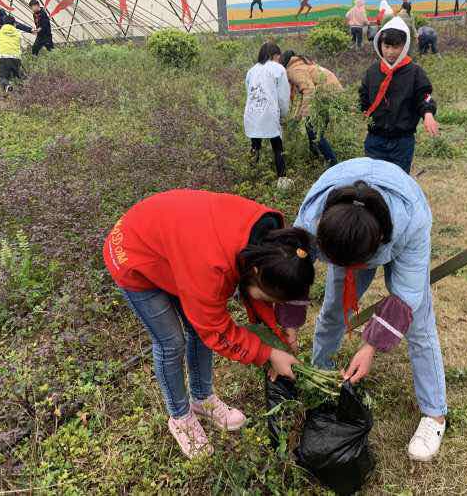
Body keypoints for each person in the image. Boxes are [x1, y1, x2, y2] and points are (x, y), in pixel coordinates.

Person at [104, 189, 314, 458]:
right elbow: (214, 328)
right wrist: (268, 353)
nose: (269, 300)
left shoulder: (273, 245)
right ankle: (180, 417)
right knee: (171, 343)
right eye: (269, 296)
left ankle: (202, 398)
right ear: (256, 273)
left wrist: (279, 337)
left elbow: (258, 296)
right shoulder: (212, 268)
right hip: (135, 253)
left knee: (195, 327)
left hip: (175, 247)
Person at [292, 157, 448, 462]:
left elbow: (405, 297)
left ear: (377, 244)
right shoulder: (313, 220)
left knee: (419, 323)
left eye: (354, 265)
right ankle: (319, 372)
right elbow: (292, 270)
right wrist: (289, 324)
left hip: (397, 228)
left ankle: (434, 415)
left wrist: (370, 346)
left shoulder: (411, 221)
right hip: (349, 235)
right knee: (334, 309)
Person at [359, 17, 439, 174]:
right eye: (386, 46)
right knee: (374, 180)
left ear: (404, 46)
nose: (390, 52)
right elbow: (363, 94)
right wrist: (363, 109)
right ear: (380, 45)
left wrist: (428, 113)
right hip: (375, 139)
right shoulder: (373, 71)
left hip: (402, 141)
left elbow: (425, 96)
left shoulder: (415, 72)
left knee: (398, 179)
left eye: (396, 47)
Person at [244, 42, 292, 190]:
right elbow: (283, 96)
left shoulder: (252, 70)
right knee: (277, 146)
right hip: (270, 112)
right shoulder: (278, 69)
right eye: (278, 56)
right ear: (274, 55)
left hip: (252, 112)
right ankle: (282, 179)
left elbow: (249, 92)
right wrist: (284, 114)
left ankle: (251, 177)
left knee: (255, 145)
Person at [281, 50, 340, 166]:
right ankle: (314, 158)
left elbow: (309, 90)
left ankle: (333, 164)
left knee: (313, 132)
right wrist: (297, 116)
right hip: (331, 95)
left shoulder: (294, 70)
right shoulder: (302, 65)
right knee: (314, 132)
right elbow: (304, 95)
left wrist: (306, 113)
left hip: (324, 96)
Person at [0, 14, 23, 92]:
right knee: (17, 77)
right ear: (13, 23)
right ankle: (22, 92)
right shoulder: (18, 33)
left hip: (4, 57)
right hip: (16, 58)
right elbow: (20, 44)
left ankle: (7, 86)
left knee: (3, 77)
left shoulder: (0, 32)